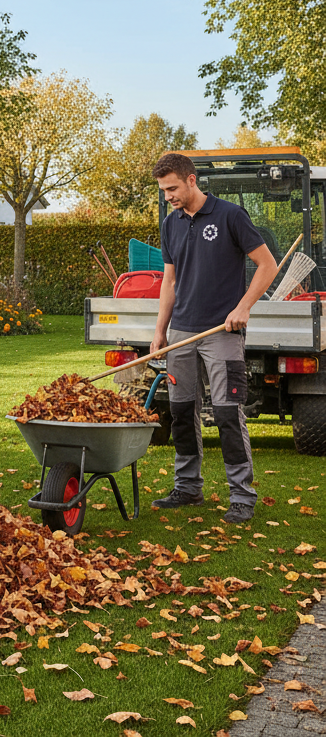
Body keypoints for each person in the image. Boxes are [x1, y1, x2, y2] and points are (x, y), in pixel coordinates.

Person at [150, 152, 278, 524]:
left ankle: (241, 495)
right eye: (163, 190)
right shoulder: (171, 224)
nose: (168, 196)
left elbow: (267, 265)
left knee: (226, 413)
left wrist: (244, 307)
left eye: (172, 188)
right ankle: (188, 487)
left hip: (222, 332)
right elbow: (169, 282)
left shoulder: (230, 216)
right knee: (181, 412)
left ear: (192, 180)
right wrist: (160, 331)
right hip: (182, 332)